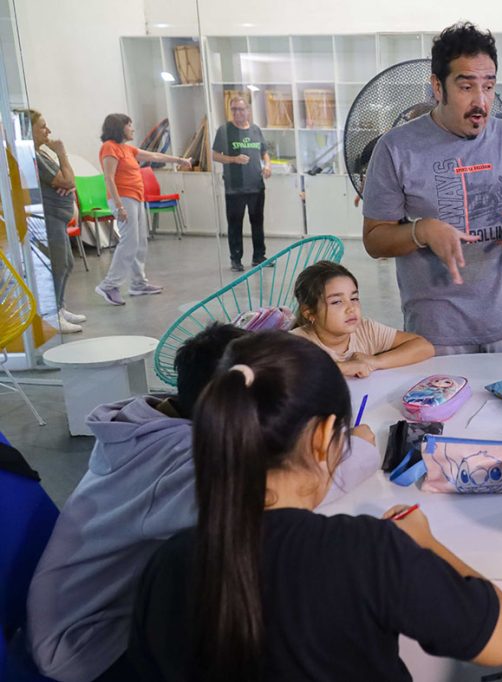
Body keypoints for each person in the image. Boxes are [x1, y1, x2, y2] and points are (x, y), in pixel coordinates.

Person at [129, 332, 502, 680]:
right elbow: (501, 643)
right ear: (322, 438)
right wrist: (423, 541)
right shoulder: (367, 550)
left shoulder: (167, 565)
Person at [26, 324, 380, 682]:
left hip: (101, 604)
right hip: (89, 645)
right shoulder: (181, 460)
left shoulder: (152, 422)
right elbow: (271, 498)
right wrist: (357, 450)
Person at [362, 22, 502, 355]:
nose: (481, 101)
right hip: (437, 335)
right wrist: (421, 231)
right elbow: (374, 240)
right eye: (466, 87)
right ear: (437, 87)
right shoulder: (396, 148)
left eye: (489, 86)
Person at [95, 113, 190, 306]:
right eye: (129, 125)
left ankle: (138, 284)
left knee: (140, 242)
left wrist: (179, 160)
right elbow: (109, 178)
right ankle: (109, 285)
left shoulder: (127, 149)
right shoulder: (109, 147)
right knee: (129, 242)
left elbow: (154, 155)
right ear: (119, 127)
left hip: (136, 198)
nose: (133, 129)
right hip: (123, 199)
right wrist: (119, 205)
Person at [290, 260, 434, 378]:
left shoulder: (365, 329)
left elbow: (424, 347)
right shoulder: (296, 342)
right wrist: (342, 367)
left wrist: (375, 361)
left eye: (354, 298)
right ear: (309, 313)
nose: (351, 308)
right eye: (337, 302)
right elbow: (283, 376)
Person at [27, 109, 86, 332]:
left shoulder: (41, 154)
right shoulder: (35, 157)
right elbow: (67, 180)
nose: (48, 131)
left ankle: (59, 307)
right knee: (58, 266)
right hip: (49, 219)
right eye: (42, 127)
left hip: (58, 218)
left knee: (67, 263)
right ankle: (52, 316)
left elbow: (69, 182)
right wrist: (62, 154)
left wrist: (67, 184)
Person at [211, 96, 272, 272]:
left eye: (240, 109)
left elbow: (264, 152)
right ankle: (236, 259)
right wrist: (234, 159)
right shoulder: (224, 130)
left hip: (256, 186)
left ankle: (259, 257)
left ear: (248, 111)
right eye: (234, 109)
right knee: (235, 224)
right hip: (234, 187)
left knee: (257, 222)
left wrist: (268, 166)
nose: (237, 113)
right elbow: (215, 155)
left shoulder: (255, 130)